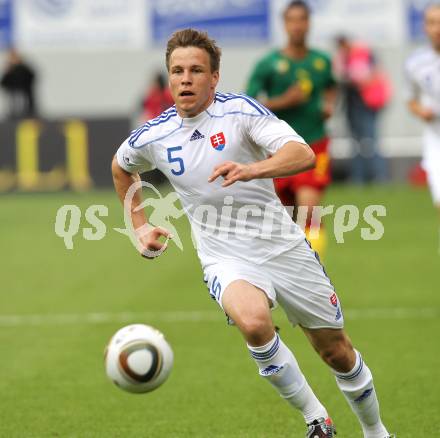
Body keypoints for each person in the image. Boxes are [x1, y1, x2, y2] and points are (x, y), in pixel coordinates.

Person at [112, 28, 393, 438]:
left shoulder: (241, 112)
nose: (185, 79)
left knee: (336, 351)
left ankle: (376, 432)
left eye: (195, 70)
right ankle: (318, 421)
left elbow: (301, 153)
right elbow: (122, 166)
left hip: (283, 247)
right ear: (169, 77)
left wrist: (252, 168)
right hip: (225, 256)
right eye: (177, 71)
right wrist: (138, 225)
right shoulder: (154, 134)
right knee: (254, 323)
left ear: (214, 77)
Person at [246, 0, 336, 256]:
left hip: (315, 143)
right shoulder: (268, 64)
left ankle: (315, 265)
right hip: (279, 149)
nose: (297, 26)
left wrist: (329, 105)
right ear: (284, 24)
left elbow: (331, 86)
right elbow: (250, 105)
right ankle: (292, 264)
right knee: (285, 219)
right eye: (292, 20)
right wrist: (285, 101)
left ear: (309, 23)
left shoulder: (321, 61)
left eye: (302, 20)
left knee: (309, 209)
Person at [405, 3, 440, 247]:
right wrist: (421, 111)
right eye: (431, 22)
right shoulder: (416, 63)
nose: (437, 28)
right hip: (435, 139)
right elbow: (410, 99)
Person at [334, 36, 390, 184]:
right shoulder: (343, 58)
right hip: (353, 104)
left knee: (370, 140)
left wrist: (355, 79)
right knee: (356, 143)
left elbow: (370, 76)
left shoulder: (362, 54)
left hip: (367, 103)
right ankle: (358, 178)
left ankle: (379, 177)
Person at [0, 48, 37, 119]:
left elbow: (31, 76)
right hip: (13, 92)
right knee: (14, 104)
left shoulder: (24, 68)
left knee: (24, 103)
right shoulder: (9, 69)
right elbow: (4, 81)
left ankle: (27, 114)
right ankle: (14, 115)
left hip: (24, 92)